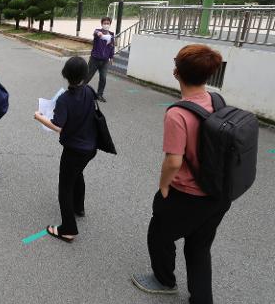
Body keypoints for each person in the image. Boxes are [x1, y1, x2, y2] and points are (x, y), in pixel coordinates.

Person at [131, 44, 230, 304]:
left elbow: (173, 161)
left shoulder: (178, 113)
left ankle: (164, 281)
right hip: (218, 193)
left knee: (159, 234)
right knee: (199, 246)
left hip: (188, 194)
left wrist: (164, 187)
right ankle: (201, 298)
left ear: (176, 72)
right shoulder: (217, 101)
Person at [34, 56, 98, 242]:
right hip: (90, 147)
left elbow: (57, 126)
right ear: (85, 74)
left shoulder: (65, 99)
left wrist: (38, 116)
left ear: (65, 74)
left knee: (65, 188)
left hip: (74, 149)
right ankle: (79, 207)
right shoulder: (89, 90)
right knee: (78, 174)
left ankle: (68, 229)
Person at [85, 17, 114, 102]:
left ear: (110, 24)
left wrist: (111, 57)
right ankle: (78, 91)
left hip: (105, 61)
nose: (106, 25)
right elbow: (95, 32)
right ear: (102, 24)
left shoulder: (111, 35)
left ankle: (99, 95)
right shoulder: (98, 32)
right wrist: (99, 33)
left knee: (103, 78)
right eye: (104, 23)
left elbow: (112, 47)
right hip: (95, 59)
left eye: (108, 23)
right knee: (88, 76)